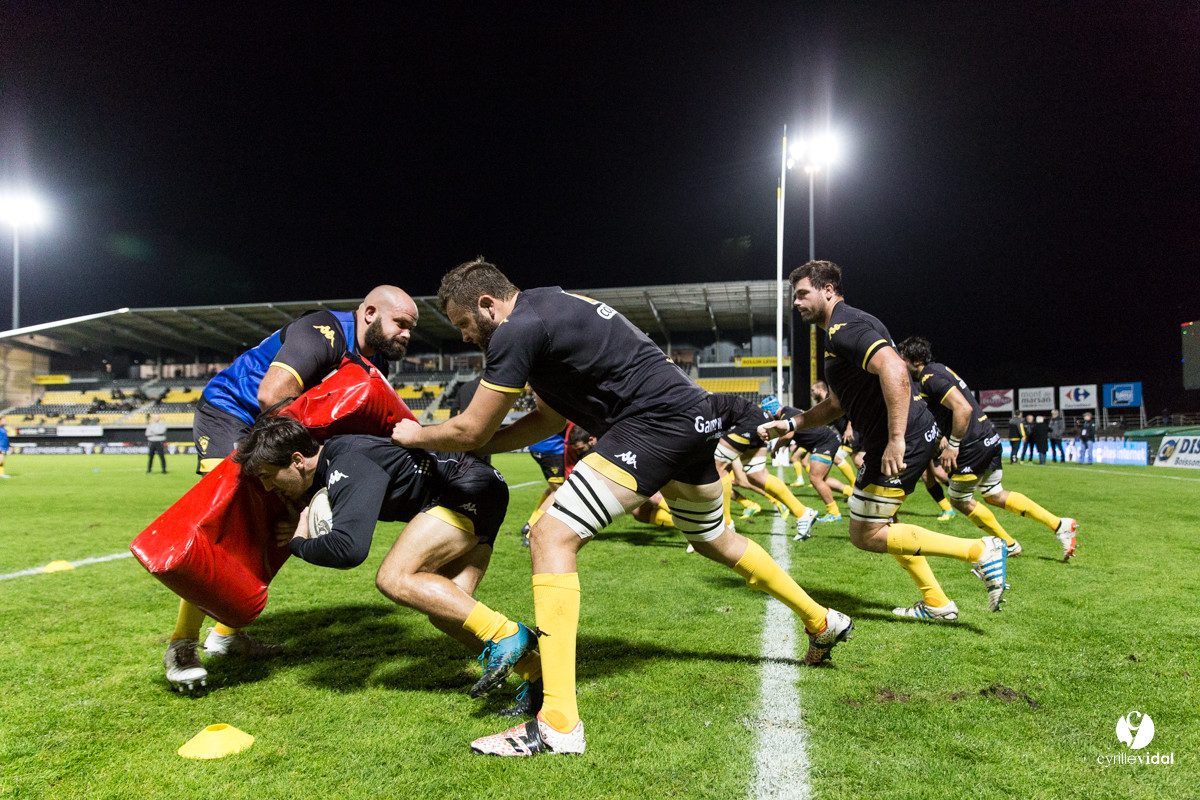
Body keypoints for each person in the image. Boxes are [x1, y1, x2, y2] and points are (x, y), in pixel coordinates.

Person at [392, 258, 850, 757]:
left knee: (551, 534)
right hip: (689, 416)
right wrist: (480, 447)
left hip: (652, 423)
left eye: (463, 323)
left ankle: (558, 724)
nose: (463, 336)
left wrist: (418, 435)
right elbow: (548, 420)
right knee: (715, 539)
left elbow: (472, 428)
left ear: (487, 304)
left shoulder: (516, 328)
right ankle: (821, 620)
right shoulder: (546, 308)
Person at [164, 285, 418, 693]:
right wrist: (305, 477)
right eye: (400, 323)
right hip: (232, 414)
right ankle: (182, 644)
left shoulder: (376, 362)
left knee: (278, 530)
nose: (406, 333)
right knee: (225, 525)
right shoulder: (324, 330)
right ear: (370, 313)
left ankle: (226, 633)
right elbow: (272, 394)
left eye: (411, 327)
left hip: (281, 433)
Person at [759, 261, 1008, 625]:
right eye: (794, 296)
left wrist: (895, 439)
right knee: (886, 522)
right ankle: (936, 601)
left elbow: (894, 368)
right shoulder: (846, 327)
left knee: (865, 533)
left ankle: (980, 550)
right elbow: (836, 404)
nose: (796, 302)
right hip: (911, 433)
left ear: (828, 290)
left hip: (901, 438)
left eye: (802, 294)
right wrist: (791, 423)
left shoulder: (844, 327)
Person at [232, 415, 537, 709]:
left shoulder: (346, 463)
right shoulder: (338, 459)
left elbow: (348, 549)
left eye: (267, 476)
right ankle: (539, 679)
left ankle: (507, 634)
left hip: (466, 488)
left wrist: (299, 542)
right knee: (446, 613)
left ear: (298, 460)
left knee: (393, 578)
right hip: (479, 488)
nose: (268, 487)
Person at [897, 336, 1077, 565]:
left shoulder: (930, 378)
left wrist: (953, 444)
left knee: (959, 500)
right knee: (994, 494)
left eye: (903, 359)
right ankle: (1059, 524)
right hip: (988, 437)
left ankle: (1008, 543)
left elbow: (963, 409)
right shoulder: (938, 370)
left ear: (915, 360)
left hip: (971, 445)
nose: (900, 364)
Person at [519, 430, 568, 547]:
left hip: (539, 444)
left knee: (554, 488)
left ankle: (529, 525)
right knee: (558, 491)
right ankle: (532, 530)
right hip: (552, 448)